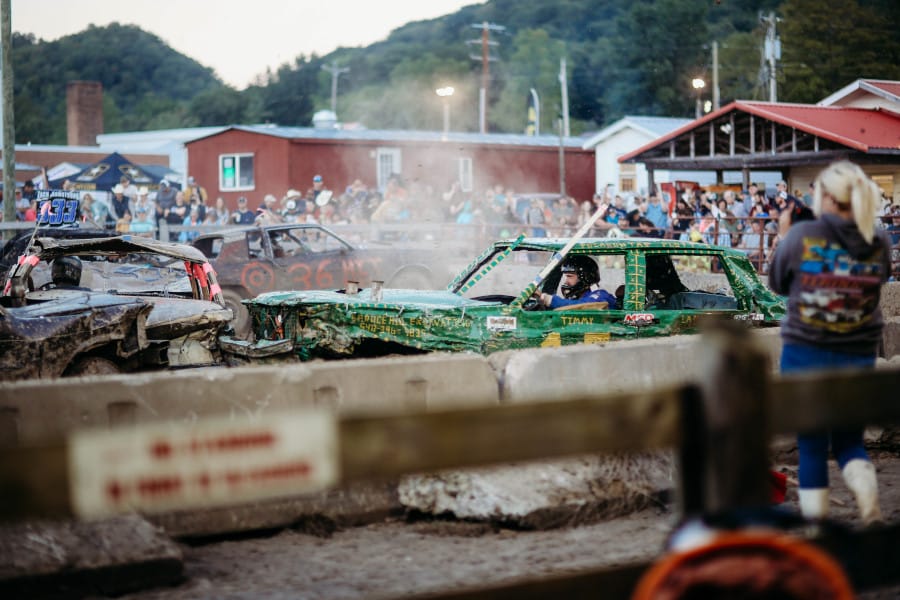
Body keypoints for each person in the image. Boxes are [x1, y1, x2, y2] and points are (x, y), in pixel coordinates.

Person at [769, 160, 891, 524]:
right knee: (851, 442)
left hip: (805, 353)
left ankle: (816, 530)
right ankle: (869, 506)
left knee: (811, 446)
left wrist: (783, 234)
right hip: (858, 353)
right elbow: (878, 280)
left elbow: (777, 284)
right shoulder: (878, 238)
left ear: (826, 197)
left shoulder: (802, 237)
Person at [535, 255, 616, 309]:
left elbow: (580, 306)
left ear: (585, 278)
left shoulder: (601, 296)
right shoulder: (577, 297)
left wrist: (546, 298)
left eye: (569, 276)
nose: (566, 282)